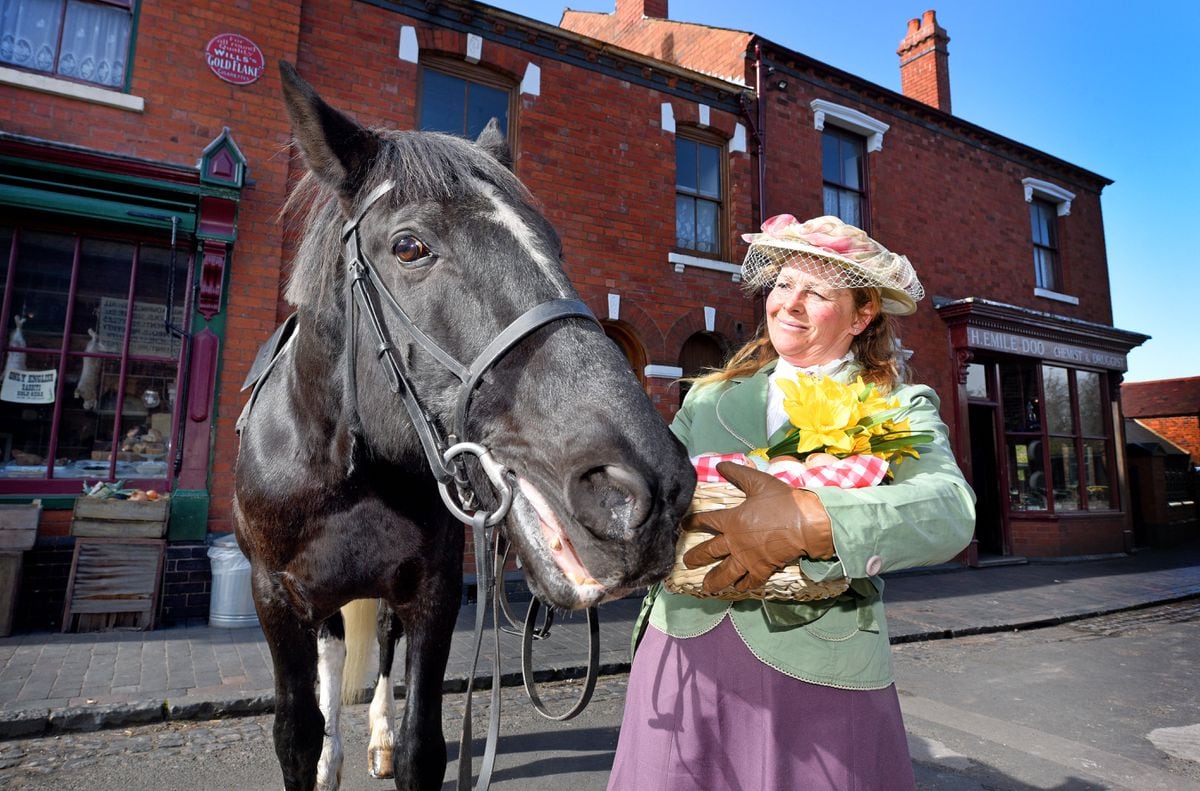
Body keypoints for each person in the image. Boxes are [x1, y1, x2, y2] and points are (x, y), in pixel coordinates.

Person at [608, 215, 976, 790]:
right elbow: (651, 487)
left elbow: (950, 511)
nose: (790, 304)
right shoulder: (709, 398)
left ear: (862, 315)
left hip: (818, 661)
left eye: (817, 292)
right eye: (783, 286)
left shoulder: (897, 405)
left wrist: (813, 519)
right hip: (683, 647)